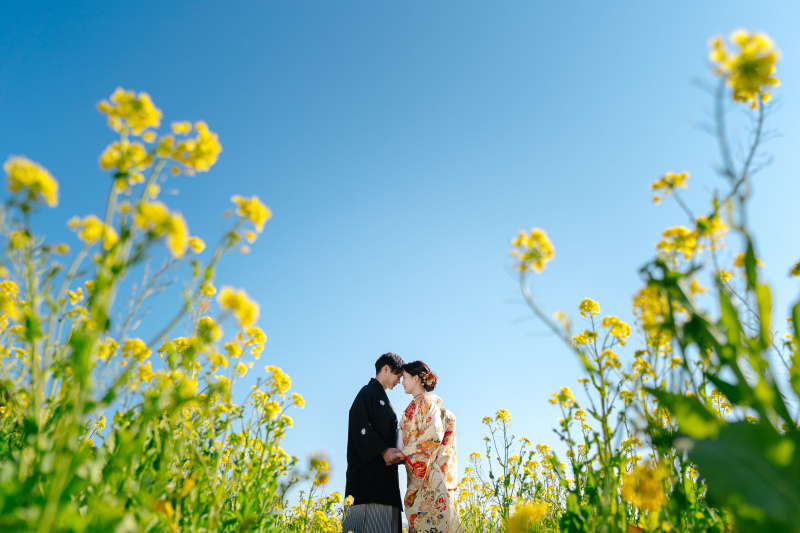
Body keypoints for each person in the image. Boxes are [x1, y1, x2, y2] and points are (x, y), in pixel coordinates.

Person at [344, 352, 407, 533]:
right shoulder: (367, 393)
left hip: (384, 480)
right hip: (367, 483)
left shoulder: (382, 398)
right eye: (398, 376)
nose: (399, 381)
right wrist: (383, 450)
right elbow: (360, 428)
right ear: (386, 369)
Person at [400, 361, 461, 533]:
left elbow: (432, 437)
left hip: (429, 478)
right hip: (438, 475)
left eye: (405, 377)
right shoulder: (434, 406)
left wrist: (402, 453)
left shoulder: (424, 404)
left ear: (417, 378)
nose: (402, 382)